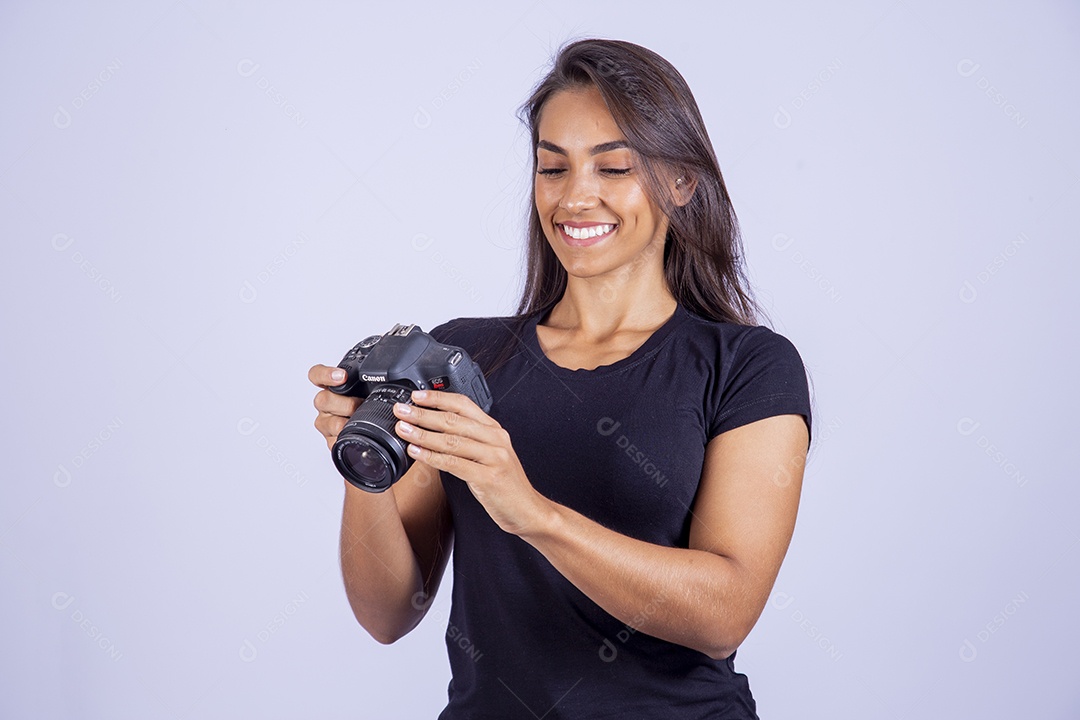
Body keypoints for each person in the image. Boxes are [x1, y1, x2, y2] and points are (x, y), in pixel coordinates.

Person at [309, 38, 812, 719]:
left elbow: (724, 614)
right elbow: (390, 613)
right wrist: (361, 459)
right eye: (553, 168)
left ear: (683, 182)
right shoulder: (461, 355)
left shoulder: (747, 366)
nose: (576, 197)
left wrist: (531, 512)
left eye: (614, 168)